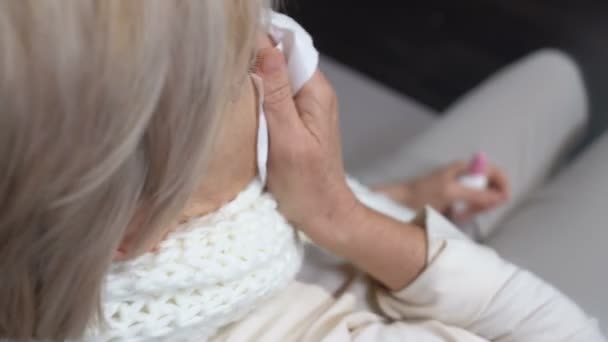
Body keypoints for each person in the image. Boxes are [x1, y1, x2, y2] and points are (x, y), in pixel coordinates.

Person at [0, 1, 604, 341]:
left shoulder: (200, 223)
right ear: (128, 230)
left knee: (549, 80)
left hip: (349, 226)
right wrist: (344, 215)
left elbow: (271, 224)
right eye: (243, 60)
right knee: (554, 79)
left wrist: (403, 197)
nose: (281, 47)